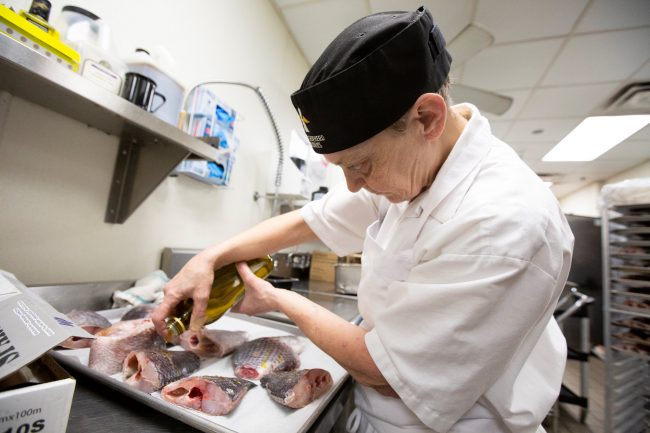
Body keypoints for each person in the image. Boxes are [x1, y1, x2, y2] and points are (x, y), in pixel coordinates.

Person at [152, 6, 574, 433]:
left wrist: (280, 299)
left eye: (360, 164)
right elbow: (310, 221)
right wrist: (209, 258)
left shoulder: (502, 222)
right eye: (340, 168)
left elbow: (387, 374)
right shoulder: (417, 165)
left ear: (426, 119)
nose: (353, 186)